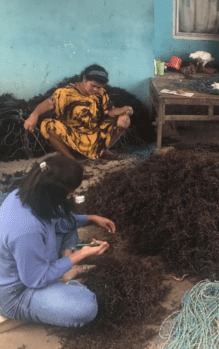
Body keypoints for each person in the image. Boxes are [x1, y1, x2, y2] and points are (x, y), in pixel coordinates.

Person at [0, 156, 115, 327]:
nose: (72, 196)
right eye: (70, 193)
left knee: (67, 219)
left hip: (30, 260)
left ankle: (66, 271)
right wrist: (79, 255)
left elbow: (58, 221)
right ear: (54, 193)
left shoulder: (24, 194)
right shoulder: (26, 230)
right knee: (85, 307)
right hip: (19, 291)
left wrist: (90, 218)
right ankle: (66, 273)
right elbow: (35, 280)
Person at [24, 64, 133, 160]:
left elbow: (109, 112)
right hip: (74, 136)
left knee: (124, 120)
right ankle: (71, 159)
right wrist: (34, 115)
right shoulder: (66, 93)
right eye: (93, 86)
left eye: (99, 87)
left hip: (95, 135)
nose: (96, 90)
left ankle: (101, 151)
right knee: (47, 124)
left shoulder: (100, 93)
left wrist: (123, 109)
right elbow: (49, 103)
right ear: (84, 79)